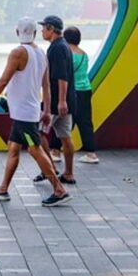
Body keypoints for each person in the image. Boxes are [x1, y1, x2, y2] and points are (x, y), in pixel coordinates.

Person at [0, 16, 71, 207]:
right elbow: (46, 85)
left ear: (17, 32)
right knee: (13, 147)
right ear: (35, 33)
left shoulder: (18, 53)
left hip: (24, 114)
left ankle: (59, 190)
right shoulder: (41, 52)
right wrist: (46, 110)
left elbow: (3, 81)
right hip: (28, 111)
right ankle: (3, 189)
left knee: (35, 149)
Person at [34, 15, 77, 185]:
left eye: (44, 28)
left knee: (39, 133)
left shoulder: (56, 48)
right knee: (65, 137)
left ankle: (49, 169)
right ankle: (69, 173)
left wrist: (61, 101)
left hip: (55, 102)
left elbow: (61, 76)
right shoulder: (64, 46)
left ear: (51, 29)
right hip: (67, 100)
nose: (42, 31)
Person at [64, 26, 98, 164]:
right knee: (85, 122)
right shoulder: (84, 54)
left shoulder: (68, 54)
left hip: (72, 90)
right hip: (85, 89)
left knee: (64, 121)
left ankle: (55, 150)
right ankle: (91, 153)